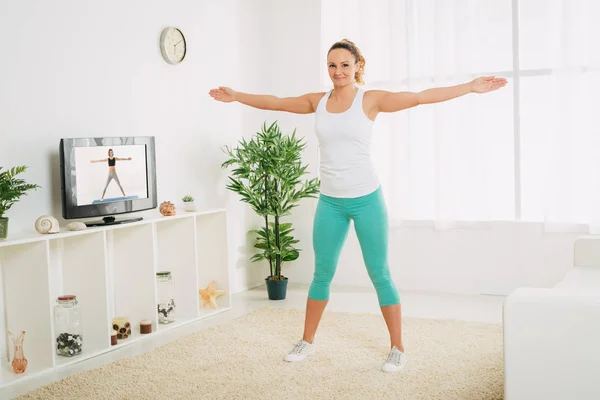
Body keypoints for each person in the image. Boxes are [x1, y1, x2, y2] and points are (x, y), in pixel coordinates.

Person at [209, 39, 507, 373]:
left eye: (345, 65)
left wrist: (469, 87)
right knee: (322, 274)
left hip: (367, 199)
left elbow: (421, 97)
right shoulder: (317, 101)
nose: (338, 72)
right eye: (332, 66)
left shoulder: (371, 100)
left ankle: (397, 347)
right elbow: (276, 102)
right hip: (330, 203)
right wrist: (237, 96)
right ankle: (306, 340)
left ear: (357, 66)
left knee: (379, 273)